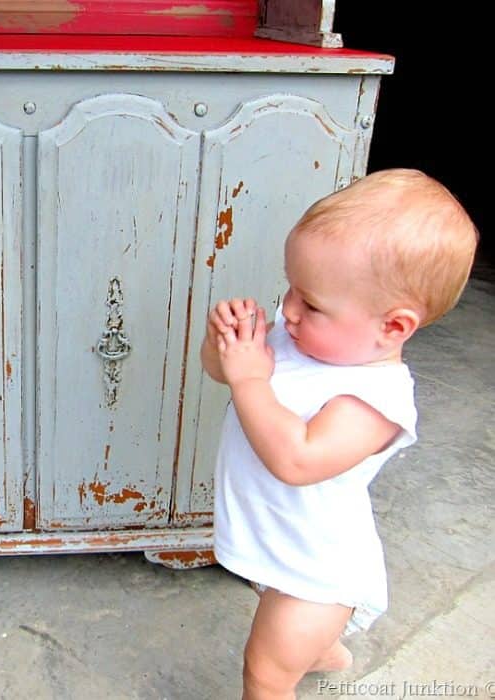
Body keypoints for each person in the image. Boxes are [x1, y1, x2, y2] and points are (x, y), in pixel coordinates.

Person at [200, 169, 479, 700]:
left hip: (317, 571)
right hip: (279, 541)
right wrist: (225, 347)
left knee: (264, 672)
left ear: (392, 327)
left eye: (312, 303)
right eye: (291, 287)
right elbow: (221, 372)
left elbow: (296, 461)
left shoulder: (375, 400)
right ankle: (324, 650)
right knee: (283, 625)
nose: (288, 309)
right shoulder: (301, 338)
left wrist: (249, 375)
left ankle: (315, 640)